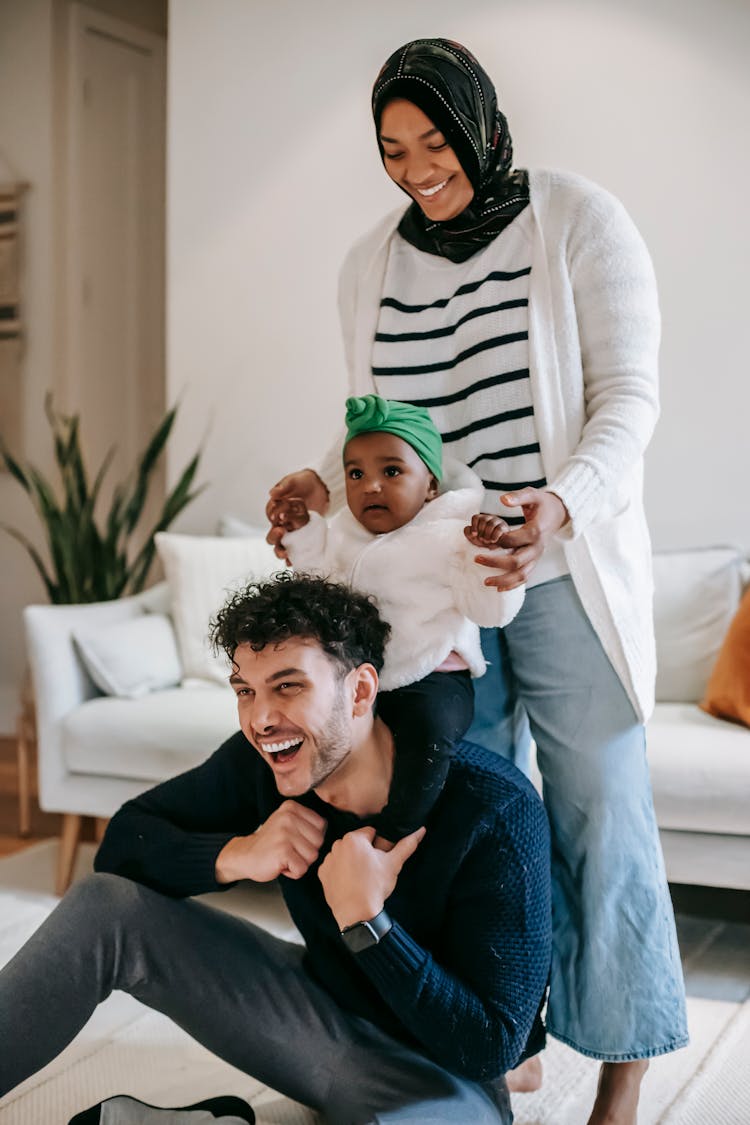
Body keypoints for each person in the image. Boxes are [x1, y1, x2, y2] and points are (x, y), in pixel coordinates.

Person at [265, 37, 688, 1125]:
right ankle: (489, 1043)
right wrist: (317, 486)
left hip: (562, 566)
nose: (416, 169)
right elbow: (383, 435)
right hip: (428, 594)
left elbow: (629, 400)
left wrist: (558, 506)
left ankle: (627, 1079)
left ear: (482, 125)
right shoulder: (370, 266)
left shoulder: (576, 220)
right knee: (460, 819)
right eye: (393, 150)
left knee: (600, 812)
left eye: (434, 142)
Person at [0, 573, 552, 1124]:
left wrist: (370, 924)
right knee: (106, 907)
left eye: (288, 686)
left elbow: (490, 1048)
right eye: (246, 691)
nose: (261, 720)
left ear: (360, 691)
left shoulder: (495, 811)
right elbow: (121, 845)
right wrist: (238, 855)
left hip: (440, 1077)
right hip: (317, 1016)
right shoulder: (265, 765)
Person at [269, 392, 524, 844]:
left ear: (430, 484)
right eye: (356, 473)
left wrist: (491, 556)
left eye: (391, 471)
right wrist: (302, 531)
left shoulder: (452, 536)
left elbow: (490, 612)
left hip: (432, 676)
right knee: (313, 729)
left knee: (427, 738)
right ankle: (315, 828)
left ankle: (396, 835)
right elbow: (315, 585)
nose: (370, 486)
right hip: (359, 681)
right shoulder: (345, 533)